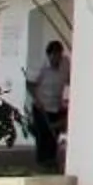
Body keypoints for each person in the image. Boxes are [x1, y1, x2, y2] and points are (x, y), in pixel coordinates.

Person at [26, 40, 69, 174]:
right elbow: (30, 83)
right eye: (54, 57)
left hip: (56, 105)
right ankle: (42, 163)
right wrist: (36, 99)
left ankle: (52, 162)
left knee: (54, 135)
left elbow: (70, 79)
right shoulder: (40, 65)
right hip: (41, 106)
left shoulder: (65, 63)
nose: (56, 60)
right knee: (43, 135)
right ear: (49, 55)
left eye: (58, 56)